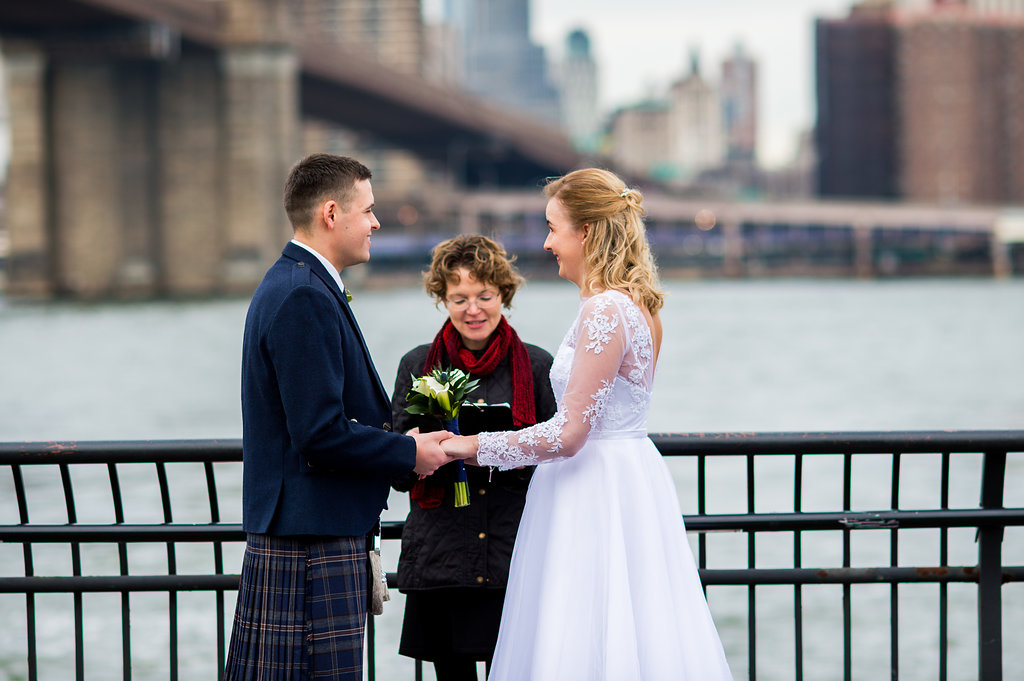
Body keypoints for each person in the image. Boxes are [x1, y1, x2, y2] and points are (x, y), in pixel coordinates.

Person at [443, 169, 734, 680]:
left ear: (587, 232)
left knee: (581, 625)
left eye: (553, 227)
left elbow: (569, 433)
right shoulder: (639, 306)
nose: (547, 242)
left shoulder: (605, 309)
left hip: (593, 487)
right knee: (636, 623)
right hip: (629, 478)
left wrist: (468, 446)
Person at [225, 153, 453, 681]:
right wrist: (408, 452)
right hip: (312, 542)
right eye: (368, 210)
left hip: (305, 532)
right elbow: (319, 434)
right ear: (331, 213)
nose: (376, 223)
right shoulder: (304, 295)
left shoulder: (295, 283)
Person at [390, 235, 557, 681]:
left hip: (513, 551)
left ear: (504, 294)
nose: (473, 310)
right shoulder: (418, 365)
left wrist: (502, 450)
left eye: (484, 296)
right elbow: (399, 473)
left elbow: (557, 454)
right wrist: (412, 449)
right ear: (442, 298)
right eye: (459, 298)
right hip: (443, 553)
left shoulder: (537, 366)